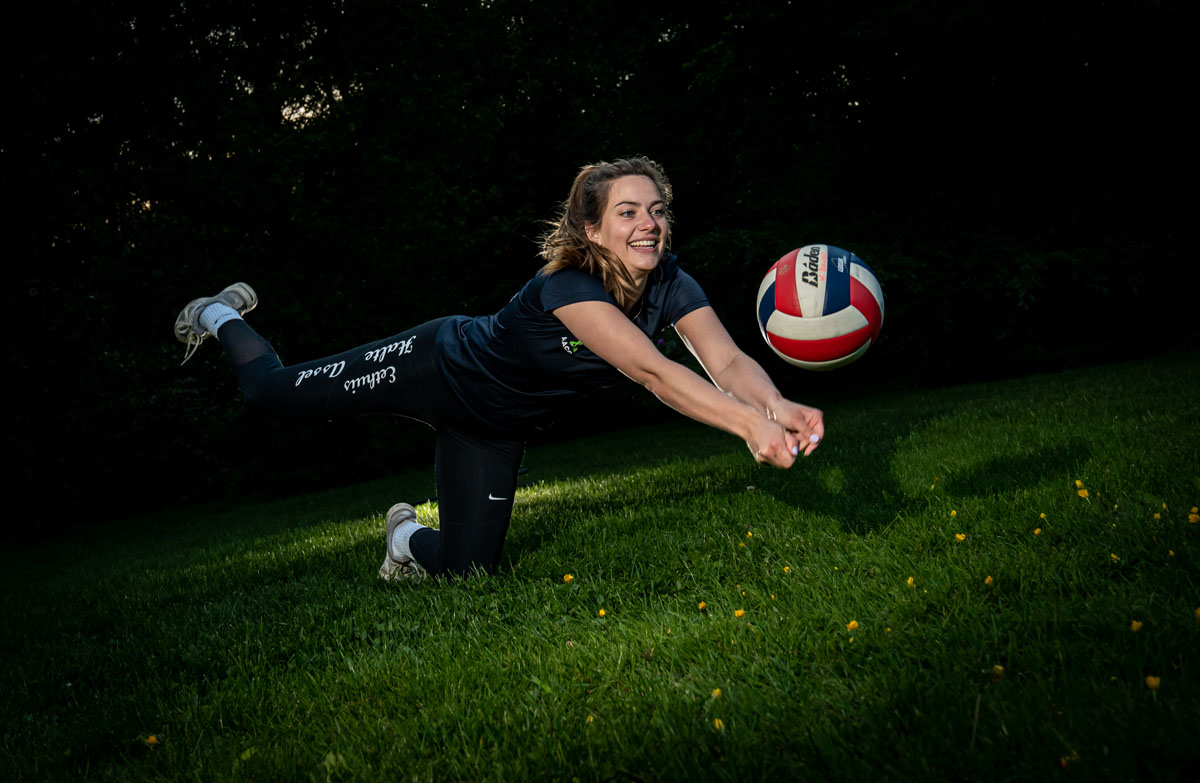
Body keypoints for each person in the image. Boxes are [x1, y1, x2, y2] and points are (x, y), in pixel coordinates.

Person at [174, 157, 824, 582]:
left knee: (468, 573)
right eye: (628, 212)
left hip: (491, 428)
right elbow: (652, 372)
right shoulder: (567, 286)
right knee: (266, 392)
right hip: (433, 366)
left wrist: (776, 406)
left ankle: (404, 537)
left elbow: (729, 360)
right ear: (593, 230)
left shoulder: (671, 281)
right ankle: (222, 316)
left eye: (657, 210)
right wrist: (746, 426)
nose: (648, 224)